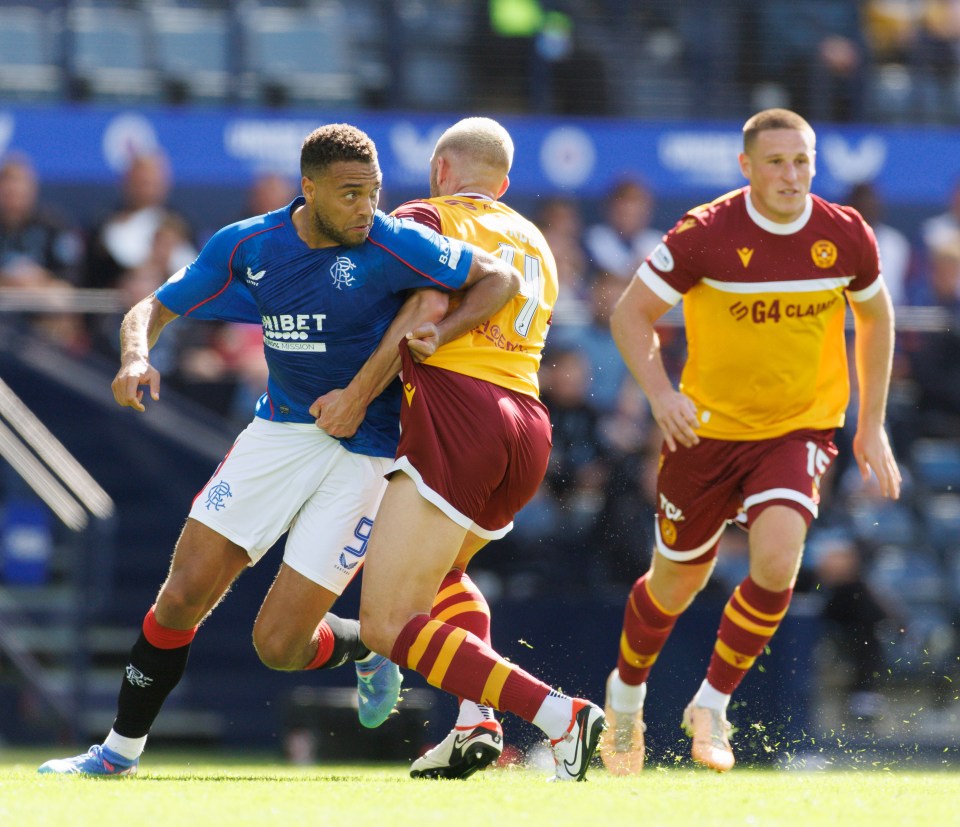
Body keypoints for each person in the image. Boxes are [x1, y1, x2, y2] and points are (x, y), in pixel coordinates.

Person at [38, 123, 523, 776]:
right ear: (309, 188)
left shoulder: (394, 241)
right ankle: (117, 752)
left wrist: (440, 331)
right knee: (182, 593)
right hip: (276, 436)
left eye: (373, 193)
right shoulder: (249, 244)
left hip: (366, 453)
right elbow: (150, 308)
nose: (365, 208)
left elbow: (499, 279)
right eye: (350, 194)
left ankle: (370, 649)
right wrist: (133, 358)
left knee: (278, 644)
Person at [600, 108, 901, 774]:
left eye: (802, 160)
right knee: (676, 583)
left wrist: (872, 423)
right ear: (746, 167)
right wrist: (661, 394)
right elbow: (630, 315)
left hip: (797, 427)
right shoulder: (705, 232)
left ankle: (711, 704)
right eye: (775, 161)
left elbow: (877, 317)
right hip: (703, 432)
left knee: (777, 559)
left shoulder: (845, 234)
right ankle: (624, 696)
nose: (791, 175)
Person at [317, 117, 605, 782]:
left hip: (459, 413)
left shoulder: (427, 214)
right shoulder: (537, 239)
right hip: (526, 425)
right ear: (502, 183)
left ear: (440, 170)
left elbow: (419, 307)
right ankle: (476, 719)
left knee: (387, 622)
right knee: (443, 579)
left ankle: (560, 715)